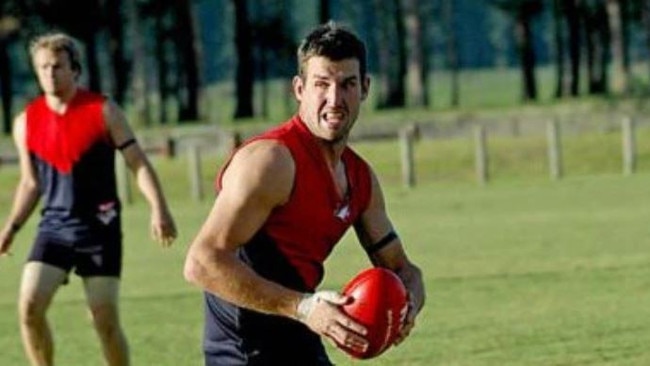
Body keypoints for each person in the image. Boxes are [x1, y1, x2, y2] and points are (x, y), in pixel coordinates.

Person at [183, 21, 425, 365]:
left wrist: (407, 304)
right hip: (243, 352)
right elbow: (202, 263)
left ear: (365, 88)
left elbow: (404, 269)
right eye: (321, 84)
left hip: (298, 338)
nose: (334, 99)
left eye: (347, 84)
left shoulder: (360, 179)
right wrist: (304, 307)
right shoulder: (270, 161)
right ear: (299, 89)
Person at [0, 32, 177, 366]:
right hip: (53, 228)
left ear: (75, 69)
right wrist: (11, 227)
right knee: (28, 308)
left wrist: (159, 208)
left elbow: (137, 162)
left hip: (100, 228)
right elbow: (30, 183)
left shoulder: (103, 111)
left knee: (103, 320)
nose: (50, 73)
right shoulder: (25, 122)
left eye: (57, 66)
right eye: (43, 68)